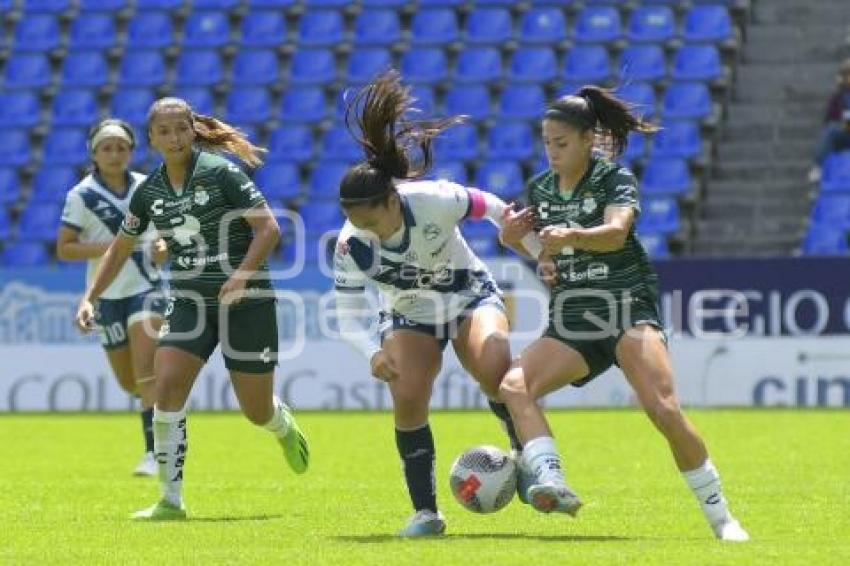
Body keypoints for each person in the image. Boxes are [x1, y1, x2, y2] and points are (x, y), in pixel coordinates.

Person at [497, 87, 750, 542]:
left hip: (626, 306)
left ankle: (722, 517)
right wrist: (516, 240)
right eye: (546, 142)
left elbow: (615, 235)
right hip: (573, 316)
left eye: (561, 143)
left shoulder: (614, 179)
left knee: (664, 410)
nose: (551, 152)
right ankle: (551, 480)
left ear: (587, 140)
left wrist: (569, 235)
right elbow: (546, 256)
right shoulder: (539, 189)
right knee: (514, 387)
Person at [75, 98, 310, 521]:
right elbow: (120, 248)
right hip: (188, 303)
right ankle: (170, 500)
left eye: (181, 129)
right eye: (164, 132)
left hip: (246, 303)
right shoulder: (149, 192)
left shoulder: (221, 173)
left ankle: (281, 425)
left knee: (255, 410)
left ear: (193, 130)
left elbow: (269, 228)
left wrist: (241, 275)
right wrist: (90, 296)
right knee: (165, 387)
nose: (174, 138)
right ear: (152, 139)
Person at [332, 70, 541, 537]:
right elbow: (345, 314)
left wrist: (533, 251)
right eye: (352, 221)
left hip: (469, 294)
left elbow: (493, 208)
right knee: (407, 395)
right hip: (410, 312)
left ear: (392, 200)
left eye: (370, 220)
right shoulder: (350, 245)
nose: (363, 229)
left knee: (494, 367)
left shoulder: (433, 200)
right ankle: (425, 512)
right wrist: (372, 351)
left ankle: (524, 459)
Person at [58, 118, 167, 477]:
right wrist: (119, 245)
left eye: (122, 147)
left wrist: (163, 246)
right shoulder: (82, 195)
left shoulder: (147, 186)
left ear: (132, 151)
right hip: (108, 297)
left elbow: (166, 234)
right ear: (94, 153)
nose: (115, 153)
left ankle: (155, 454)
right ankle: (161, 411)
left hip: (147, 288)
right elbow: (66, 248)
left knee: (146, 369)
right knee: (130, 382)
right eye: (107, 147)